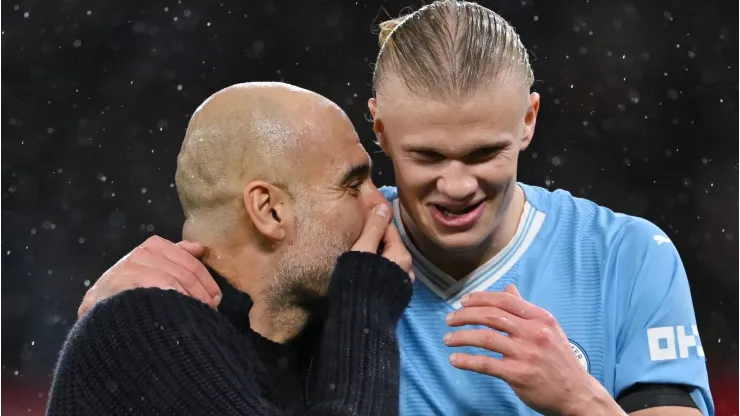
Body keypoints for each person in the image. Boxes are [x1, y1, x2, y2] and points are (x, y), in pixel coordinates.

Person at [77, 1, 714, 415]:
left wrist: (578, 399)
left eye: (485, 152)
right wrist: (113, 310)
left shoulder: (627, 257)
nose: (458, 185)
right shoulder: (333, 257)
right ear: (379, 132)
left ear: (528, 120)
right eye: (429, 156)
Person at [47, 82, 415, 415]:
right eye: (352, 185)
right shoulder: (143, 326)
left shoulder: (310, 349)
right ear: (269, 211)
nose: (380, 204)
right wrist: (367, 307)